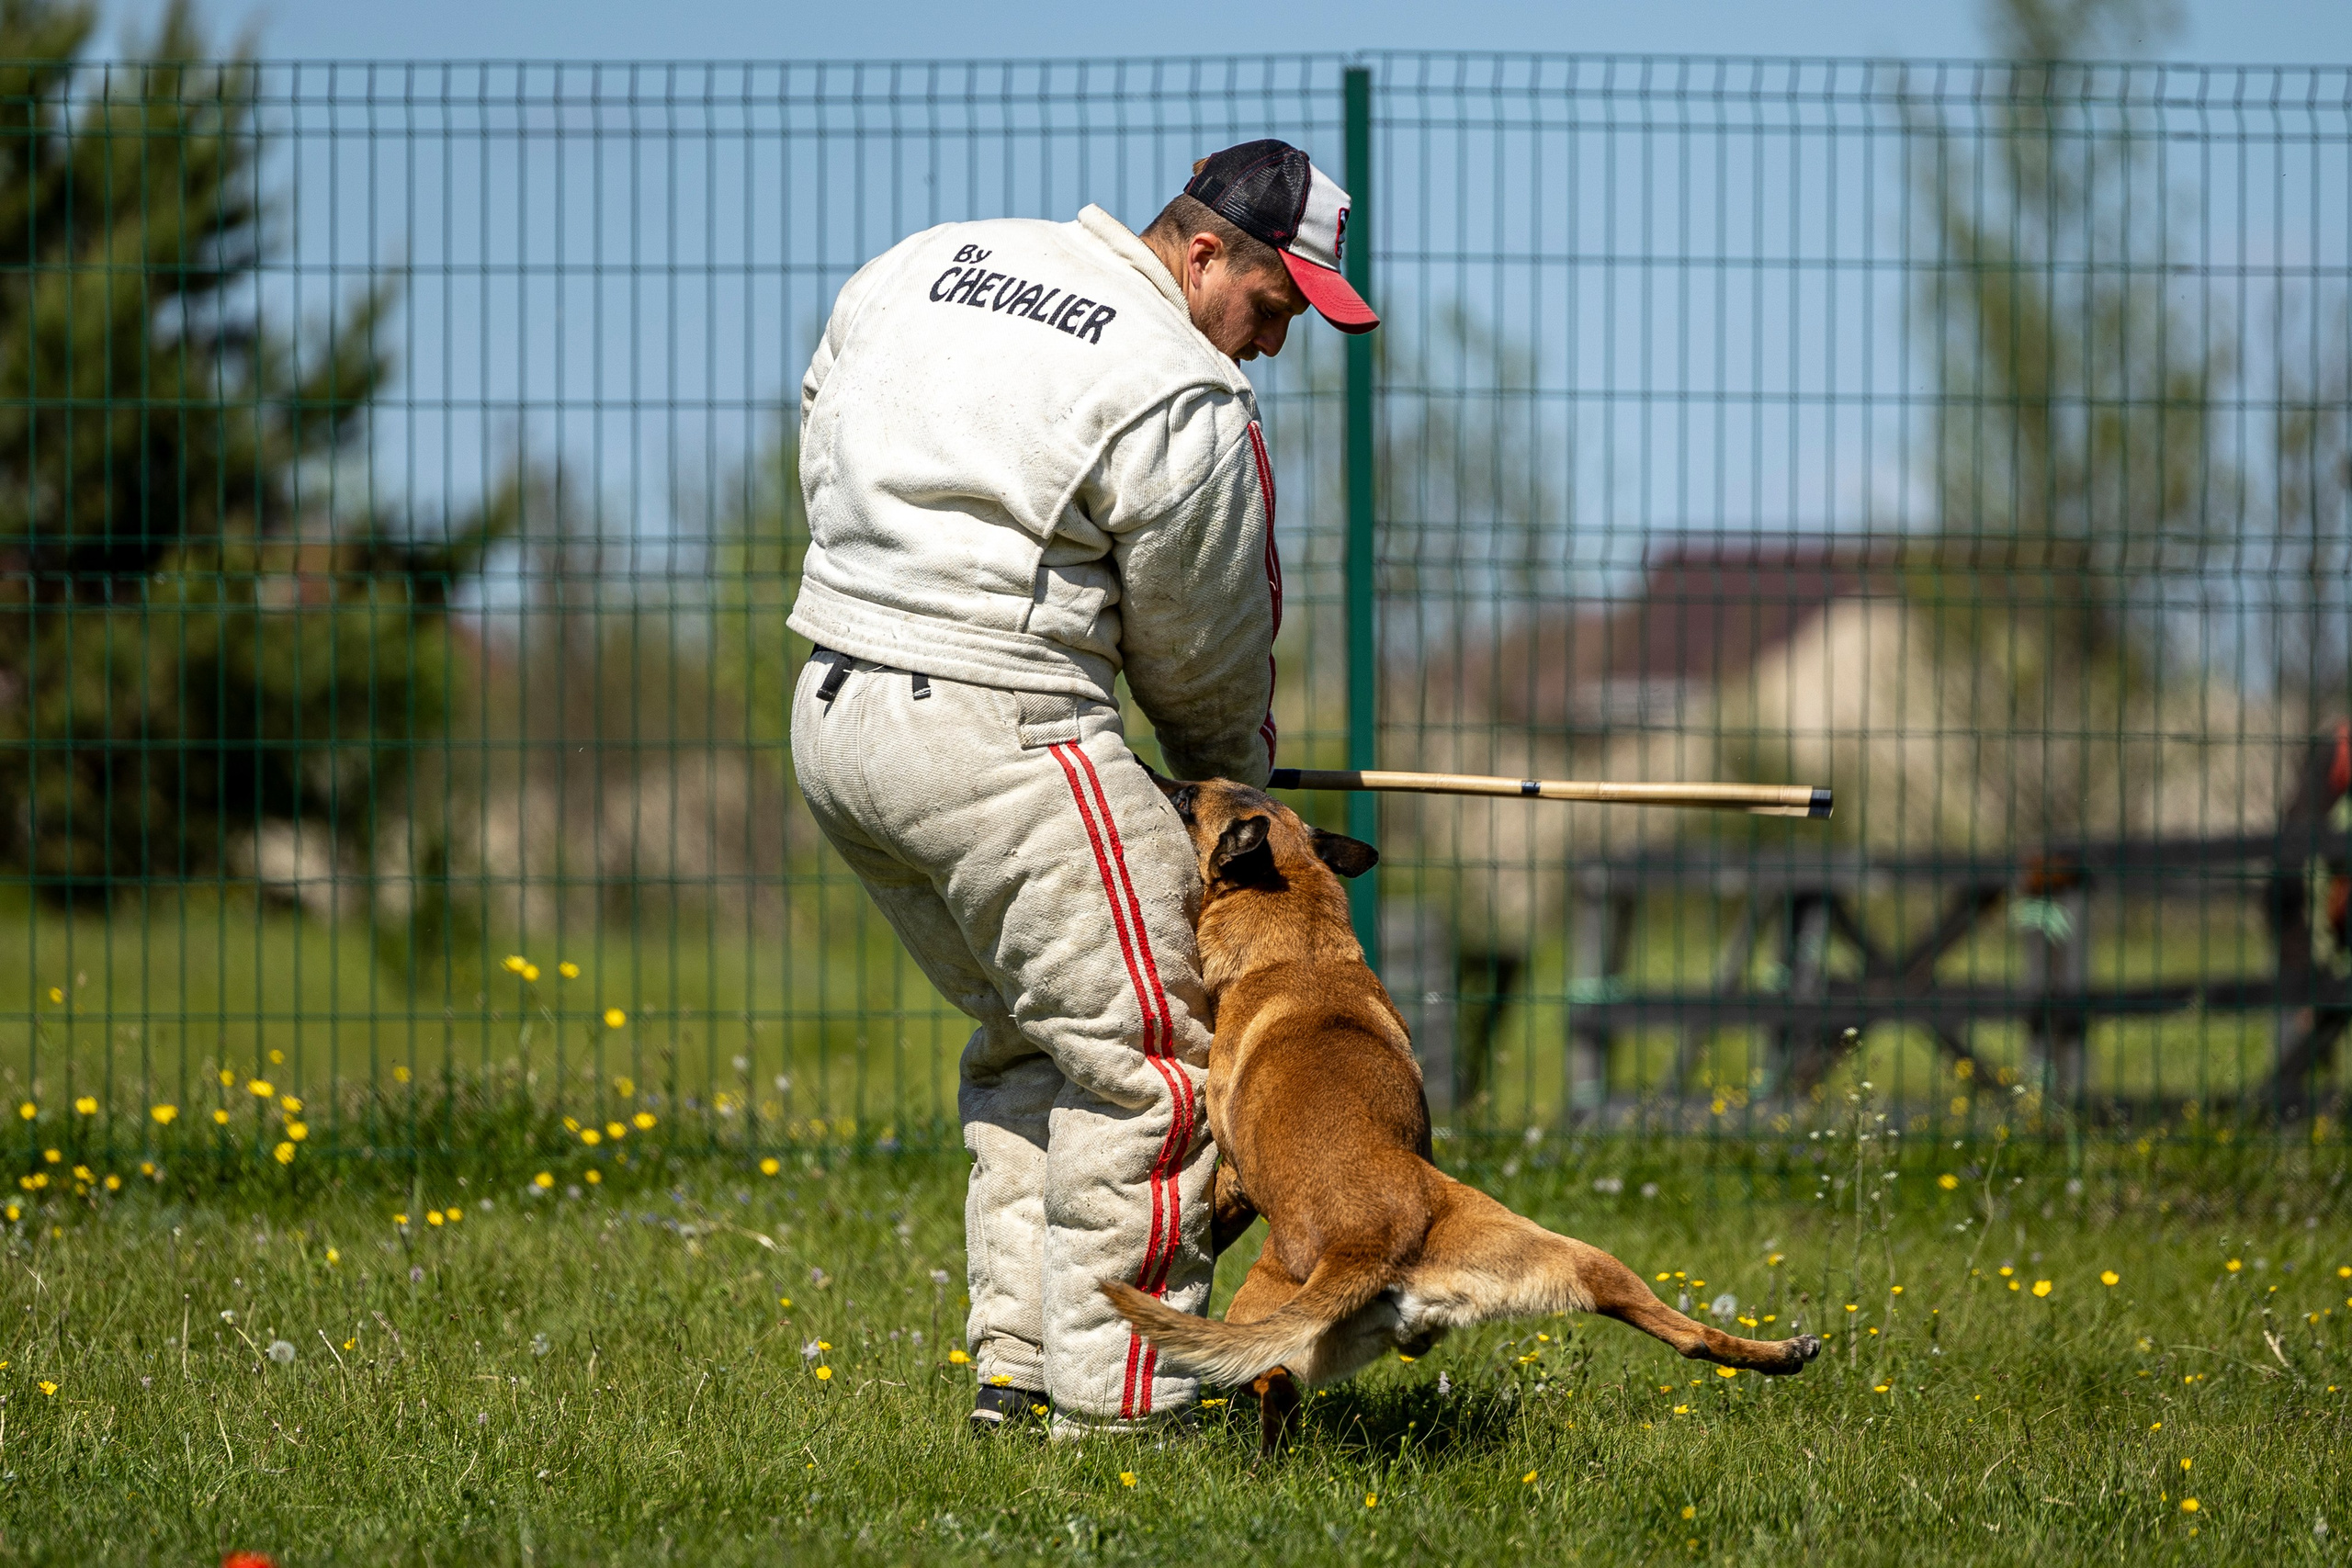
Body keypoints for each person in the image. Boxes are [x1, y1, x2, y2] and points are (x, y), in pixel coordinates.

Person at [787, 140, 1377, 1438]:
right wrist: (1230, 790)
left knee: (1036, 1038)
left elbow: (824, 407)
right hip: (999, 733)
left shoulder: (938, 258)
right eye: (1274, 306)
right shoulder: (1184, 390)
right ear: (1203, 254)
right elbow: (1205, 650)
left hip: (832, 711)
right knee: (1156, 1067)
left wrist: (889, 586)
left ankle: (1018, 1367)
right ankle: (1128, 1409)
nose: (1274, 342)